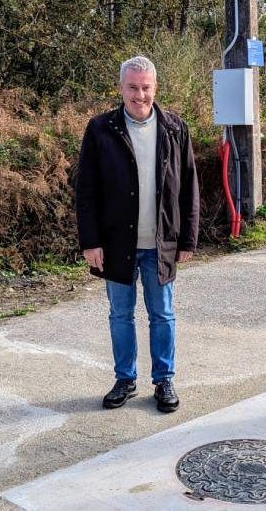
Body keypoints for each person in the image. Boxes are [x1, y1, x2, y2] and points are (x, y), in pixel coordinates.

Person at [74, 56, 199, 413]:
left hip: (161, 244)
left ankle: (164, 381)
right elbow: (87, 190)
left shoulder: (175, 128)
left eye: (145, 87)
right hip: (116, 244)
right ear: (121, 88)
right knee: (120, 315)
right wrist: (90, 241)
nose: (139, 95)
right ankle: (125, 380)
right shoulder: (101, 129)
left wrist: (187, 239)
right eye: (132, 87)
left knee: (163, 314)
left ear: (155, 88)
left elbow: (189, 185)